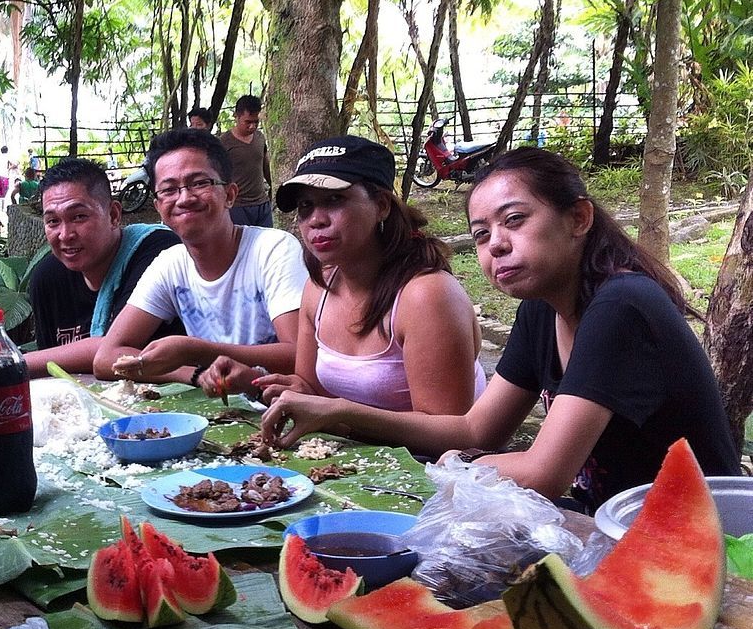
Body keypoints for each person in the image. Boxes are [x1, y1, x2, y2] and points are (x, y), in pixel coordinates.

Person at [261, 149, 741, 510]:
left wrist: (450, 469)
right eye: (482, 235)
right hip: (607, 519)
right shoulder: (541, 308)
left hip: (688, 533)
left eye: (515, 220)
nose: (497, 246)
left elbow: (544, 472)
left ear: (579, 217)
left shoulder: (621, 305)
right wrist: (339, 411)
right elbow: (477, 427)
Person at [206, 136, 484, 413]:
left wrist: (340, 414)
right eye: (306, 206)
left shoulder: (427, 296)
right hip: (351, 452)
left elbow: (448, 432)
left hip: (431, 457)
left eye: (335, 199)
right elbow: (309, 390)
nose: (316, 219)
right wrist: (252, 381)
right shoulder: (319, 288)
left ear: (382, 206)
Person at [93, 127, 307, 387]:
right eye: (169, 190)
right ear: (159, 207)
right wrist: (192, 373)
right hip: (221, 410)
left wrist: (196, 351)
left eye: (199, 183)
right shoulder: (170, 264)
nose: (184, 198)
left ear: (229, 195)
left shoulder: (273, 249)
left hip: (282, 406)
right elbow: (106, 358)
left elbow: (301, 355)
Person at [24, 158, 184, 377]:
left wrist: (11, 364)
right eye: (53, 221)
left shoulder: (158, 253)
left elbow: (111, 350)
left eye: (79, 217)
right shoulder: (48, 277)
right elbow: (51, 363)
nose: (65, 235)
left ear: (113, 215)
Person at [219, 94, 274, 227]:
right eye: (248, 122)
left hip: (261, 204)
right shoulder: (223, 143)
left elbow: (264, 164)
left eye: (256, 122)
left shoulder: (260, 138)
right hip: (237, 206)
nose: (252, 126)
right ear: (236, 117)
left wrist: (273, 186)